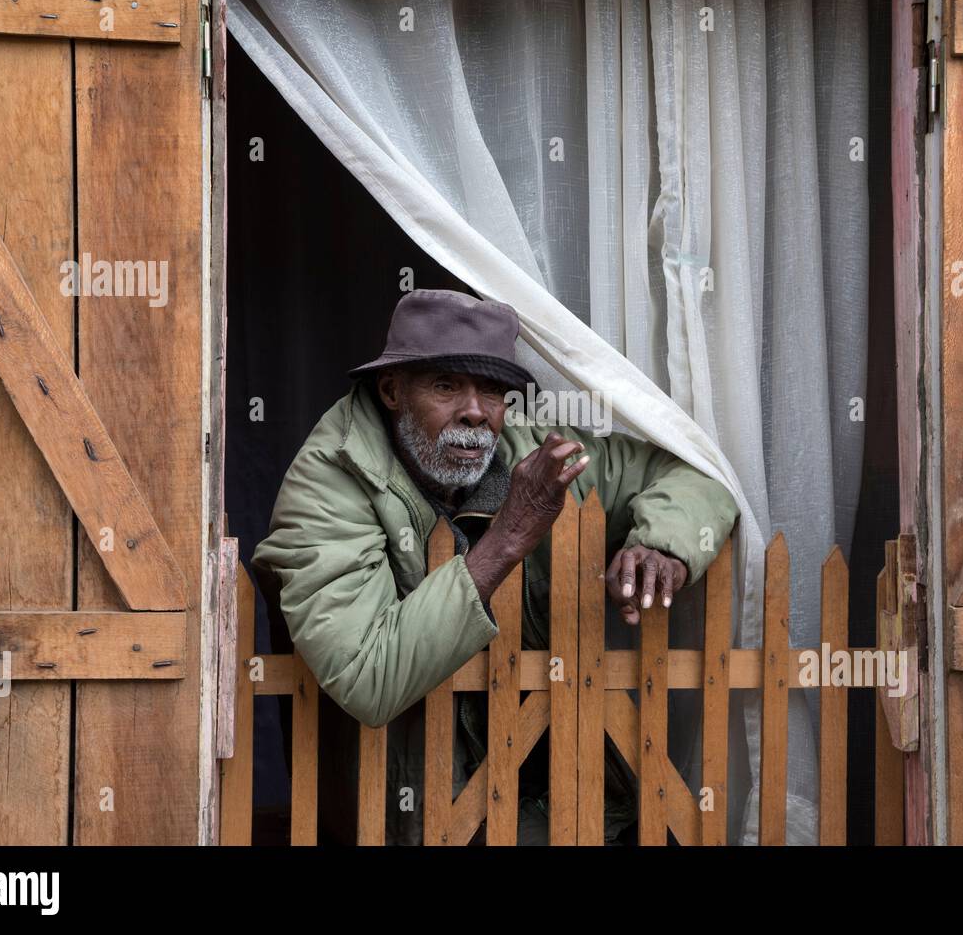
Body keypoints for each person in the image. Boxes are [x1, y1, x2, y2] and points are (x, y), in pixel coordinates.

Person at [250, 288, 739, 844]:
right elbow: (368, 677)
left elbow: (698, 473)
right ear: (391, 389)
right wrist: (508, 537)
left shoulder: (528, 451)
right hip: (411, 818)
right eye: (446, 385)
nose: (476, 412)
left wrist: (665, 544)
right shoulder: (328, 482)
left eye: (492, 389)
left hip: (559, 806)